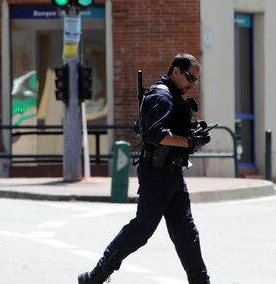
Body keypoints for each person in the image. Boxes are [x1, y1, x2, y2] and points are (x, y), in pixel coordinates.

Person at [78, 53, 211, 284]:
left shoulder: (168, 96)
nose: (192, 84)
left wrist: (192, 134)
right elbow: (155, 133)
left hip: (172, 173)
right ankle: (97, 275)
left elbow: (139, 125)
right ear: (176, 71)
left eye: (196, 80)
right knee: (141, 231)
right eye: (190, 77)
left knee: (186, 233)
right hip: (158, 174)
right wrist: (188, 142)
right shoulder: (163, 96)